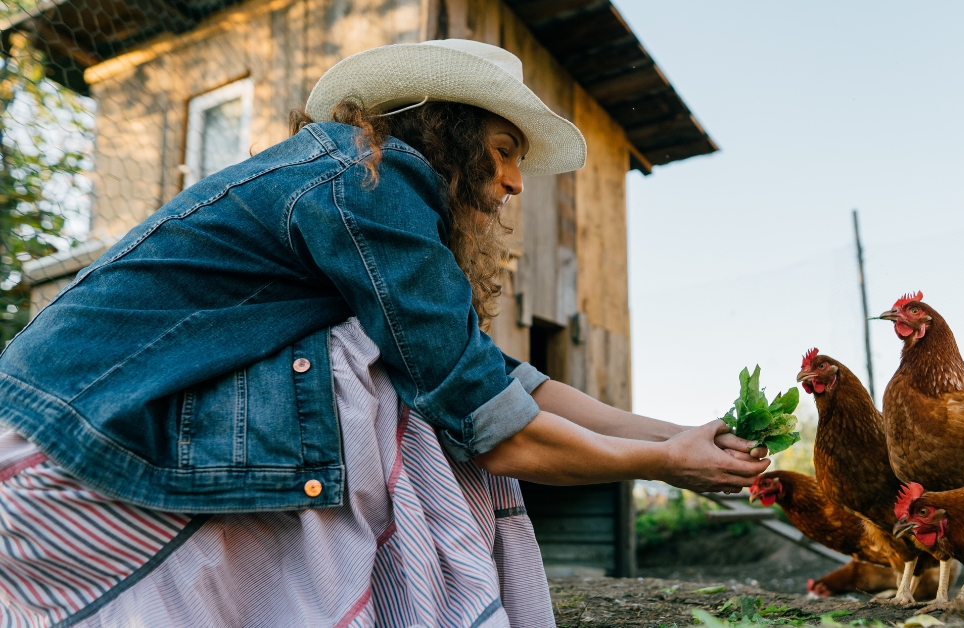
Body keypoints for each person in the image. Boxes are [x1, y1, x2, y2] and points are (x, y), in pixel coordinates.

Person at [0, 40, 769, 626]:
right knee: (394, 384)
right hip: (58, 450)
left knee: (414, 369)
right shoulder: (370, 178)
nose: (514, 185)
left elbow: (505, 381)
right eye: (504, 154)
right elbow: (491, 423)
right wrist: (665, 463)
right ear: (451, 135)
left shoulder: (351, 183)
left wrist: (682, 433)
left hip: (82, 422)